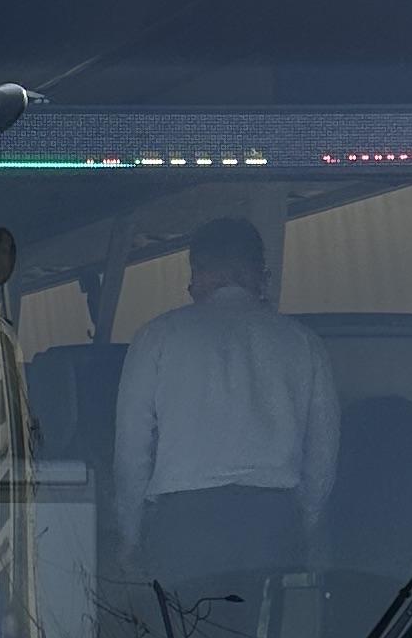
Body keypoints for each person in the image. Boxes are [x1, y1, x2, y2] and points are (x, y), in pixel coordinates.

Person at [112, 215, 341, 595]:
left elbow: (132, 448)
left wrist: (130, 536)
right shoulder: (303, 342)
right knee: (264, 631)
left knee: (189, 629)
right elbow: (322, 450)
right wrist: (309, 523)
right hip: (273, 524)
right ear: (260, 275)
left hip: (184, 525)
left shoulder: (158, 337)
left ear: (199, 272)